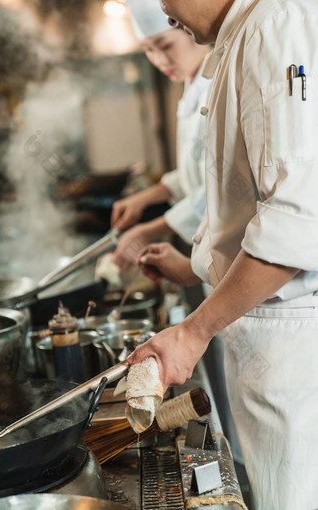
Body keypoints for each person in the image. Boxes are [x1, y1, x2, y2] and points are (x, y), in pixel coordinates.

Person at [128, 1, 318, 509]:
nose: (166, 14)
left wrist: (192, 332)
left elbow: (297, 223)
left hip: (293, 335)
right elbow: (244, 202)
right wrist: (193, 264)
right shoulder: (244, 34)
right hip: (264, 327)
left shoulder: (275, 26)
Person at [111, 0, 211, 271]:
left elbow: (216, 191)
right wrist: (144, 198)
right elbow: (194, 174)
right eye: (148, 50)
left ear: (190, 31)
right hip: (211, 258)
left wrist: (147, 231)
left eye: (165, 46)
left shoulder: (214, 88)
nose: (159, 60)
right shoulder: (192, 90)